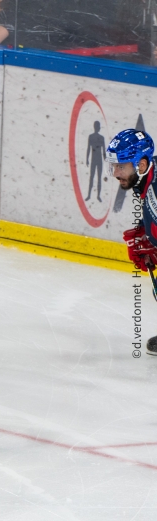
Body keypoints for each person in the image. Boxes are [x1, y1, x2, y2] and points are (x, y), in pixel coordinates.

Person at [106, 129, 157, 356]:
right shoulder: (147, 177)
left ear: (141, 165)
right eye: (115, 166)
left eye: (121, 166)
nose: (116, 173)